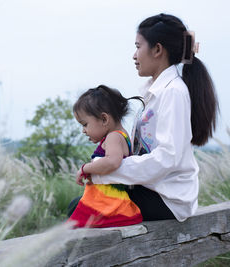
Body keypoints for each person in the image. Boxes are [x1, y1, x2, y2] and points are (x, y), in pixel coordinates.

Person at [69, 13, 219, 222]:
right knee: (79, 206)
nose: (134, 55)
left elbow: (166, 158)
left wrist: (103, 171)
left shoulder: (173, 92)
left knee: (78, 209)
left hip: (167, 198)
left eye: (138, 46)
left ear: (157, 50)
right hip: (153, 191)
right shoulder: (154, 92)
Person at [67, 85, 144, 228]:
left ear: (104, 119)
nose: (83, 131)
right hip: (107, 201)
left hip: (107, 204)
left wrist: (85, 168)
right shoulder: (122, 135)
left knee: (71, 224)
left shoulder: (113, 137)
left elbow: (113, 162)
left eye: (85, 124)